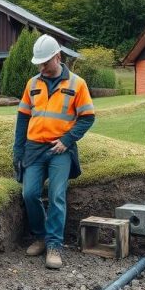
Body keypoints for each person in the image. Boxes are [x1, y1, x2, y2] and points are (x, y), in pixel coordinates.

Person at [13, 34, 95, 269]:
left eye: (45, 62)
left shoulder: (77, 84)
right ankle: (40, 236)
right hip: (33, 149)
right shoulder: (32, 84)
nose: (41, 67)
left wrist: (67, 140)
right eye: (38, 63)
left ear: (57, 57)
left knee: (57, 196)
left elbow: (87, 117)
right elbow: (22, 118)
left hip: (60, 149)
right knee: (29, 194)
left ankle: (54, 245)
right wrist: (18, 151)